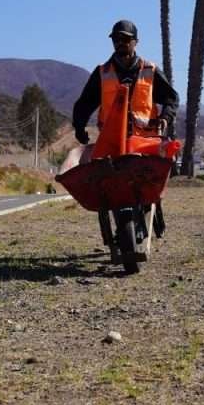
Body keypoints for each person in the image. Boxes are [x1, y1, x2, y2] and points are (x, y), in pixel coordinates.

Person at [70, 19, 180, 253]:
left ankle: (149, 212)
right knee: (112, 182)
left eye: (125, 39)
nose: (120, 43)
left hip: (145, 141)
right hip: (112, 141)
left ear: (135, 42)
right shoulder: (103, 73)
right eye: (116, 39)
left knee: (144, 181)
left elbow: (172, 98)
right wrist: (79, 127)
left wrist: (165, 118)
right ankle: (122, 225)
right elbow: (84, 104)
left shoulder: (149, 71)